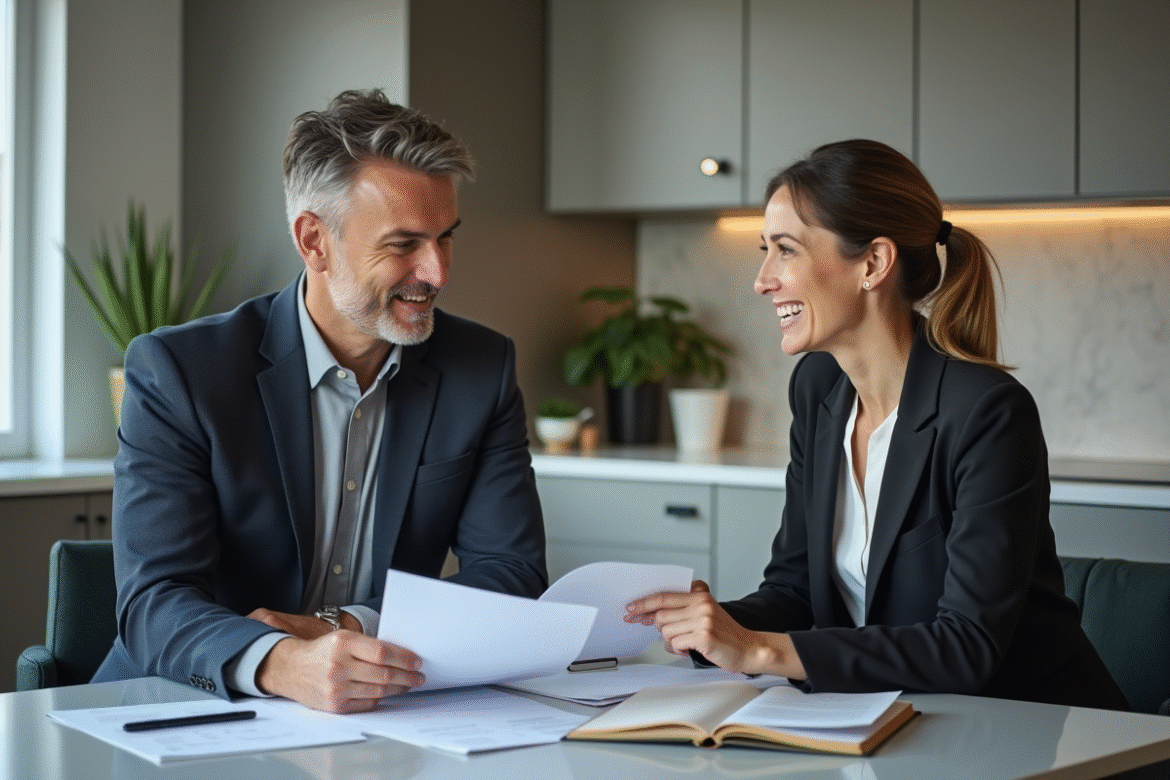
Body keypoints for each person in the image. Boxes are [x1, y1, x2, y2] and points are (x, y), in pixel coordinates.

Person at [626, 139, 1128, 710]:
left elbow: (966, 647)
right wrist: (704, 626)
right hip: (899, 721)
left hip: (1035, 732)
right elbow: (795, 593)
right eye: (765, 250)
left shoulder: (986, 412)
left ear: (873, 263)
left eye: (785, 250)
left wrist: (762, 652)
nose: (763, 280)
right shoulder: (818, 391)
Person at [92, 89, 547, 713]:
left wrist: (349, 630)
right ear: (314, 241)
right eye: (403, 244)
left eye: (445, 239)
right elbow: (153, 603)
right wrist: (282, 662)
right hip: (184, 707)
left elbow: (512, 575)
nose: (437, 272)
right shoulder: (181, 372)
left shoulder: (480, 367)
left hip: (382, 713)